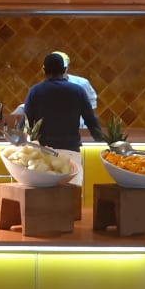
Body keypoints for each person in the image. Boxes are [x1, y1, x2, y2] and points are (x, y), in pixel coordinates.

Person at [21, 51, 103, 187]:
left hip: (44, 154)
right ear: (65, 70)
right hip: (71, 152)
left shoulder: (35, 91)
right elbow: (91, 120)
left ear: (43, 70)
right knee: (72, 193)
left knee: (45, 195)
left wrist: (18, 141)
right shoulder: (78, 91)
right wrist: (101, 140)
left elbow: (26, 122)